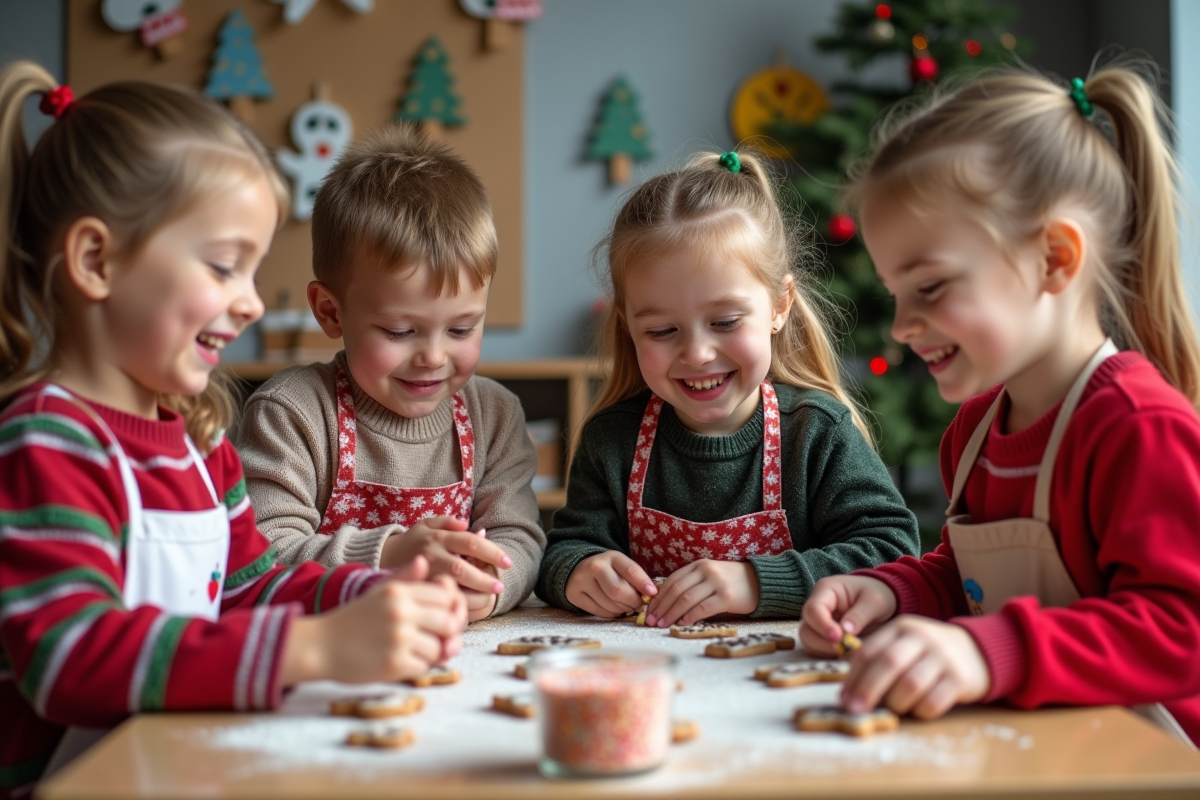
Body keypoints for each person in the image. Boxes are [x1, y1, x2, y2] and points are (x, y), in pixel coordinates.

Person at [0, 63, 467, 796]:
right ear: (96, 261)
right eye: (224, 267)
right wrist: (311, 649)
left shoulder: (198, 436)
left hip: (184, 764)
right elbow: (69, 655)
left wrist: (369, 598)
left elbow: (250, 587)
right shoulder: (47, 440)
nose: (249, 304)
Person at [799, 64, 1200, 747]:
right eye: (897, 293)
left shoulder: (1139, 427)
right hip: (1043, 749)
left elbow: (1182, 627)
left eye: (930, 286)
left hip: (1152, 760)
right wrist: (894, 591)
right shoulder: (977, 431)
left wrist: (991, 652)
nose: (901, 326)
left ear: (1053, 259)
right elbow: (969, 580)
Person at [536, 149, 920, 626]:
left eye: (724, 321)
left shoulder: (817, 433)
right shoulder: (613, 438)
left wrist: (754, 582)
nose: (697, 354)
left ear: (780, 305)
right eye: (662, 331)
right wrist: (578, 571)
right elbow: (563, 549)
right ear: (628, 326)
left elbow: (891, 553)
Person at [235, 125, 544, 621]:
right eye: (401, 331)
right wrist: (390, 555)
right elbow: (262, 554)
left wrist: (489, 586)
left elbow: (520, 536)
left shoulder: (494, 415)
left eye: (462, 329)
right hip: (336, 650)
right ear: (331, 312)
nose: (433, 357)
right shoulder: (292, 413)